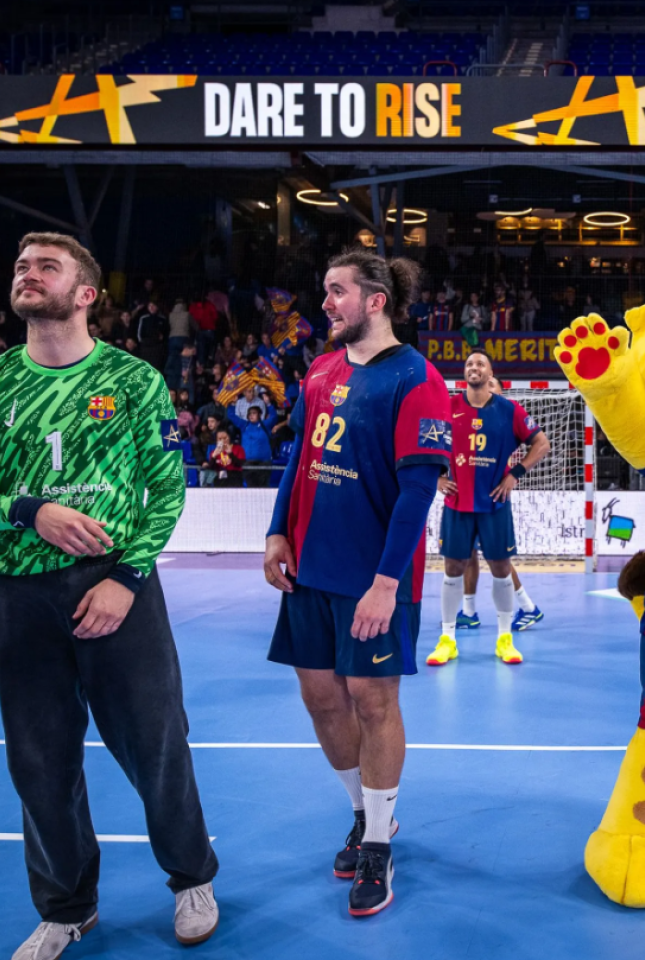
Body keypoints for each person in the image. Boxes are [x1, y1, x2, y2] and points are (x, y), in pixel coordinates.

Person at [0, 232, 220, 958]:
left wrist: (127, 577)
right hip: (19, 590)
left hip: (118, 584)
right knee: (39, 760)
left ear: (84, 295)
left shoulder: (135, 382)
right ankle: (67, 906)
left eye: (46, 266)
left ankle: (191, 877)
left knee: (156, 742)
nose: (26, 274)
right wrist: (28, 511)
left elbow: (168, 488)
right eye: (19, 265)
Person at [262, 250, 451, 917]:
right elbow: (300, 459)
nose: (325, 303)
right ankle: (365, 813)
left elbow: (417, 493)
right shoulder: (319, 372)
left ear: (375, 300)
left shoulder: (418, 379)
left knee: (373, 705)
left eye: (336, 290)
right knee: (321, 699)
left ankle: (377, 843)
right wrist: (276, 530)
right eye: (325, 290)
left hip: (372, 580)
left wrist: (385, 584)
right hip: (309, 570)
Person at [425, 349, 550, 666]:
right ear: (464, 374)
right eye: (468, 364)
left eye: (480, 363)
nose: (473, 367)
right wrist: (437, 478)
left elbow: (542, 443)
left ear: (490, 373)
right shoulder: (448, 407)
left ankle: (505, 638)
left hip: (495, 505)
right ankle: (447, 639)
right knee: (453, 569)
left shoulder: (509, 410)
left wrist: (514, 475)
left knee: (501, 569)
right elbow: (426, 444)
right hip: (457, 504)